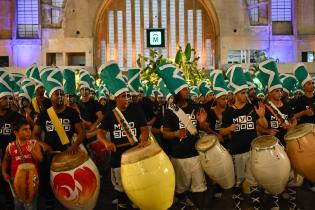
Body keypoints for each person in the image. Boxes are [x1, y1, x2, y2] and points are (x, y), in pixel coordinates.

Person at [97, 63, 149, 210]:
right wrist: (106, 143)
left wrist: (143, 141)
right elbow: (100, 132)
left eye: (127, 95)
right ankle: (122, 204)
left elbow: (144, 129)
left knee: (137, 185)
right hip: (117, 157)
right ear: (116, 98)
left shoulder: (137, 110)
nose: (126, 98)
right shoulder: (110, 114)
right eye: (123, 96)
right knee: (120, 187)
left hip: (135, 154)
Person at [32, 68, 85, 210]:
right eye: (56, 94)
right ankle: (49, 203)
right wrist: (43, 144)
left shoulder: (71, 112)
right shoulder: (44, 115)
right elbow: (34, 135)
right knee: (48, 183)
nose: (60, 96)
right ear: (51, 96)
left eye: (62, 93)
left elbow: (82, 132)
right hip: (50, 155)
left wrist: (74, 146)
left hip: (68, 154)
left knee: (69, 184)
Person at [220, 65, 267, 210]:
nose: (245, 95)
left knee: (254, 178)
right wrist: (229, 129)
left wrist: (261, 116)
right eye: (242, 93)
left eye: (246, 92)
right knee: (238, 180)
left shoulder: (251, 108)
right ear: (235, 94)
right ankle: (238, 201)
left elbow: (264, 126)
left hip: (252, 149)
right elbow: (222, 132)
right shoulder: (228, 113)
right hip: (237, 150)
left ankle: (256, 201)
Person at [2, 118, 51, 210]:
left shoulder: (34, 143)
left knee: (30, 204)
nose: (28, 132)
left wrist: (32, 151)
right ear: (16, 132)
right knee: (18, 202)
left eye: (29, 129)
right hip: (15, 178)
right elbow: (6, 160)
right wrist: (4, 172)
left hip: (32, 179)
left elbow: (40, 159)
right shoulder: (10, 146)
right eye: (25, 129)